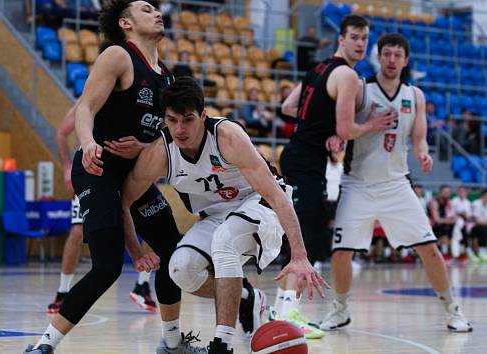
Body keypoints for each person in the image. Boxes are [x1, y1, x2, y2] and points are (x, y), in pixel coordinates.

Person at [23, 2, 204, 353]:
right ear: (126, 22)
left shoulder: (165, 75)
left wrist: (145, 146)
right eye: (146, 8)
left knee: (174, 254)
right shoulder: (119, 56)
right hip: (98, 169)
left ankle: (171, 343)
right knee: (106, 267)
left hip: (134, 176)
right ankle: (44, 345)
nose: (156, 12)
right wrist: (89, 144)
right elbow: (86, 109)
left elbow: (162, 136)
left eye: (156, 8)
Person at [120, 77, 329, 354]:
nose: (180, 129)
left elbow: (276, 196)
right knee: (180, 269)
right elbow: (123, 201)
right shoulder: (160, 153)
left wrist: (299, 255)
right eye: (172, 120)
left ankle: (222, 345)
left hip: (259, 205)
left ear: (203, 116)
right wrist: (134, 250)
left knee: (225, 239)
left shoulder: (227, 136)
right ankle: (247, 298)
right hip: (216, 216)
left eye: (188, 120)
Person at [318, 33, 471, 333]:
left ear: (406, 60)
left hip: (396, 185)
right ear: (379, 56)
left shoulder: (415, 95)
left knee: (429, 249)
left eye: (397, 55)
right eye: (386, 54)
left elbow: (419, 140)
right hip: (358, 184)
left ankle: (452, 309)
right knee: (341, 254)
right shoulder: (360, 89)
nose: (391, 60)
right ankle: (340, 309)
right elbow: (343, 126)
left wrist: (424, 156)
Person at [278, 14, 396, 334]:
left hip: (295, 155)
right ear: (341, 39)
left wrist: (325, 127)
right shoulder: (347, 76)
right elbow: (347, 128)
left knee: (301, 239)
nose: (360, 44)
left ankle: (282, 311)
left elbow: (288, 107)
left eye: (365, 39)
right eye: (355, 37)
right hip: (307, 162)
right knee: (307, 243)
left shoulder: (317, 68)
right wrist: (372, 124)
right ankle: (286, 316)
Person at [48, 98, 156, 314]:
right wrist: (66, 165)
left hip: (127, 173)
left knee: (151, 221)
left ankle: (143, 284)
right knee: (78, 232)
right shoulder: (91, 98)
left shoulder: (139, 92)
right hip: (94, 174)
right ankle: (62, 291)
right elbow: (61, 132)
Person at [429, 185, 457, 262]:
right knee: (445, 227)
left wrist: (450, 221)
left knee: (454, 227)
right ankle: (444, 254)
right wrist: (450, 221)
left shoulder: (449, 203)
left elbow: (454, 218)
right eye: (445, 192)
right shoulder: (434, 202)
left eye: (448, 192)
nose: (447, 194)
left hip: (444, 224)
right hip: (432, 226)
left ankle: (451, 252)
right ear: (440, 192)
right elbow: (436, 219)